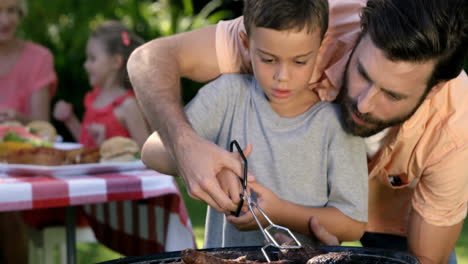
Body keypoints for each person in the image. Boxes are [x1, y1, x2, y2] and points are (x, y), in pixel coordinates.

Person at [127, 0, 468, 262]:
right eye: (363, 73)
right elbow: (150, 59)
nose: (364, 104)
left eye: (392, 95)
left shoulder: (455, 129)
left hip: (396, 224)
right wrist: (188, 149)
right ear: (358, 33)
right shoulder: (305, 28)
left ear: (434, 89)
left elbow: (425, 258)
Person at [142, 0, 368, 248]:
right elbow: (151, 152)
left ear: (320, 47)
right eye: (268, 59)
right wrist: (214, 168)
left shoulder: (337, 124)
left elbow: (353, 223)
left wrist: (280, 213)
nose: (282, 76)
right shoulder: (227, 96)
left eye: (300, 61)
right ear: (248, 45)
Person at [0, 0, 58, 263]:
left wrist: (19, 119)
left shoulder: (39, 58)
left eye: (11, 10)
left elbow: (42, 130)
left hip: (25, 177)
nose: (5, 20)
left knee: (5, 207)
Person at [53, 20, 150, 148]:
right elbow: (86, 145)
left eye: (92, 58)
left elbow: (147, 155)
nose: (85, 65)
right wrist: (70, 120)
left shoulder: (128, 105)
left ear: (116, 61)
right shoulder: (94, 98)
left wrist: (106, 146)